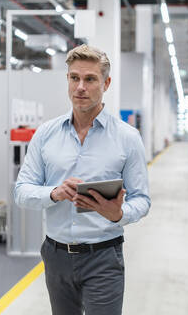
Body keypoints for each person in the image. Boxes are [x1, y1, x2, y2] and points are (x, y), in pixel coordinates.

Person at [14, 44, 151, 315]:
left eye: (90, 79)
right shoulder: (45, 134)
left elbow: (142, 200)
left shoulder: (127, 138)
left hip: (103, 256)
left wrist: (118, 213)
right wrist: (54, 193)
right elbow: (21, 190)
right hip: (56, 255)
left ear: (106, 83)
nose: (80, 87)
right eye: (74, 78)